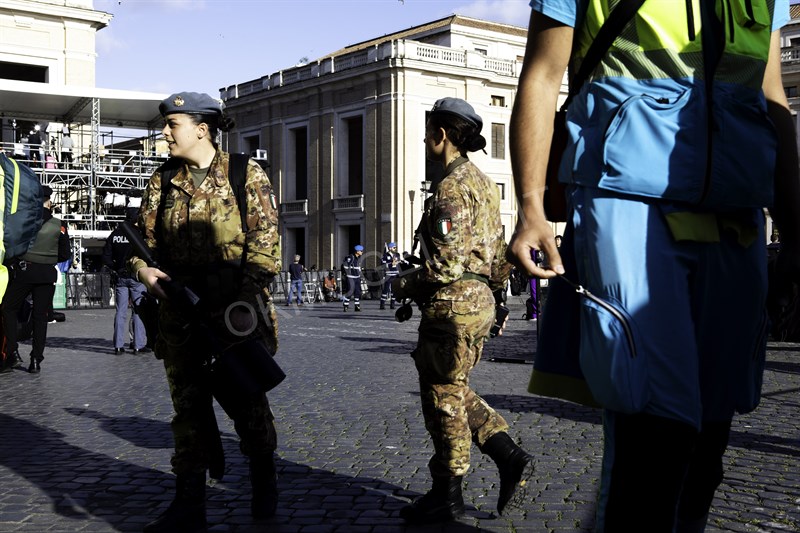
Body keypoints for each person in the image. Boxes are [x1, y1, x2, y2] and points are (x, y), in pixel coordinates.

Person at [508, 2, 800, 531]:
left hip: (736, 205)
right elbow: (544, 74)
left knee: (711, 434)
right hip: (626, 195)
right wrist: (531, 206)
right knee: (655, 426)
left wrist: (796, 225)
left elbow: (771, 93)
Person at [130, 92, 282, 532]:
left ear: (202, 129)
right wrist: (143, 272)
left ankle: (263, 475)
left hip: (233, 316)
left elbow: (265, 250)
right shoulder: (162, 181)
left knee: (247, 405)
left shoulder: (244, 173)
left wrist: (237, 305)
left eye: (172, 124)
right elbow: (142, 244)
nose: (164, 132)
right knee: (188, 409)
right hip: (179, 315)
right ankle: (189, 503)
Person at [391, 97, 533, 524]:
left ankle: (447, 496)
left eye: (428, 133)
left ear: (442, 134)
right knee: (452, 389)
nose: (424, 140)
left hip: (453, 306)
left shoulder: (451, 187)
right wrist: (497, 301)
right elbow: (500, 253)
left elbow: (447, 264)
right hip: (478, 301)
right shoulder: (485, 184)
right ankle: (506, 455)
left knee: (443, 400)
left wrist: (402, 283)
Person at [1, 186, 70, 374]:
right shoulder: (59, 225)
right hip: (46, 275)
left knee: (8, 308)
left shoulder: (24, 222)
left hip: (25, 272)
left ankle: (12, 350)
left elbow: (13, 247)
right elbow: (65, 254)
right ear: (49, 201)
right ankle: (36, 359)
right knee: (40, 317)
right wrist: (47, 260)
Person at [102, 207, 148, 354]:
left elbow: (106, 256)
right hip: (136, 277)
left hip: (120, 276)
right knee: (139, 310)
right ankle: (138, 344)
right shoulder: (138, 234)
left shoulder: (115, 234)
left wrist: (116, 268)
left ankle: (118, 345)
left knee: (120, 312)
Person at [341, 245, 364, 312]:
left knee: (357, 292)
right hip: (351, 278)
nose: (362, 252)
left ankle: (357, 306)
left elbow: (358, 268)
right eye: (361, 251)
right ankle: (346, 305)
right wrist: (348, 273)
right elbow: (345, 266)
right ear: (357, 251)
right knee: (350, 292)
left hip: (357, 277)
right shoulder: (351, 257)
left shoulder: (358, 258)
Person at [379, 242, 400, 310]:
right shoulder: (385, 255)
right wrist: (391, 264)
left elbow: (398, 262)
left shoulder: (397, 254)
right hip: (389, 274)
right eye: (394, 247)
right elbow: (383, 265)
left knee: (394, 290)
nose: (395, 249)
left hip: (395, 274)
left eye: (395, 247)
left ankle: (392, 304)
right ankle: (382, 305)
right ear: (390, 248)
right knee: (386, 290)